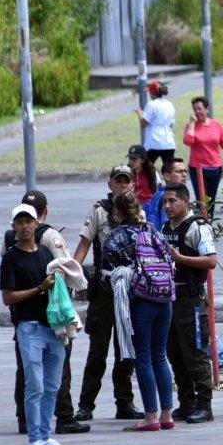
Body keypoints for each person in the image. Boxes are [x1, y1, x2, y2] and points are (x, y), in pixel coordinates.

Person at [4, 191, 88, 436]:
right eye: (20, 222)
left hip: (26, 317)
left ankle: (27, 421)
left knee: (33, 374)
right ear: (46, 212)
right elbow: (69, 270)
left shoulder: (11, 240)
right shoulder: (50, 236)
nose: (24, 226)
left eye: (27, 221)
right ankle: (61, 418)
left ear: (34, 220)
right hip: (47, 317)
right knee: (51, 373)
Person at [100, 191, 175, 432]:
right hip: (164, 300)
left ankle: (150, 417)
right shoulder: (154, 232)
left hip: (140, 303)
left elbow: (105, 278)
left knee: (143, 357)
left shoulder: (115, 238)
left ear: (117, 212)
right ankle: (167, 414)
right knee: (160, 355)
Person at [72, 166, 141, 422]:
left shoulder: (138, 212)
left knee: (126, 349)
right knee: (97, 351)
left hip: (129, 292)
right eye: (118, 181)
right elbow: (83, 246)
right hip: (103, 292)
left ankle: (125, 403)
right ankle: (86, 405)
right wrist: (70, 275)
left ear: (132, 185)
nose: (122, 185)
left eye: (126, 181)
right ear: (110, 184)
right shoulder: (99, 210)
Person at [160, 183, 217, 424]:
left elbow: (211, 261)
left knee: (195, 352)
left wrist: (180, 258)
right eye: (165, 202)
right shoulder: (166, 227)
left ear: (186, 201)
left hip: (191, 300)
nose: (167, 206)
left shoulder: (198, 227)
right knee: (175, 352)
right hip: (170, 298)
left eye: (172, 201)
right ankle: (186, 402)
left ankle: (205, 405)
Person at [182, 96, 223, 207]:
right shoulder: (190, 125)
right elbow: (188, 141)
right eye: (195, 109)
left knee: (211, 200)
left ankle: (209, 222)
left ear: (207, 109)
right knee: (201, 200)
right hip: (197, 168)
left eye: (200, 108)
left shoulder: (216, 124)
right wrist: (192, 123)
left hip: (215, 167)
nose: (197, 112)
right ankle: (201, 222)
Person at [136, 80, 176, 168]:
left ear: (152, 93)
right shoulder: (170, 104)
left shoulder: (151, 105)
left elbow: (143, 124)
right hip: (168, 142)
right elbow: (171, 125)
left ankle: (155, 181)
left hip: (154, 142)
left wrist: (139, 113)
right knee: (169, 170)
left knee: (146, 169)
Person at [146, 158, 190, 231]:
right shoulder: (167, 198)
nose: (185, 175)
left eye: (185, 171)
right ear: (167, 176)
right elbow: (168, 229)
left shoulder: (158, 194)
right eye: (179, 171)